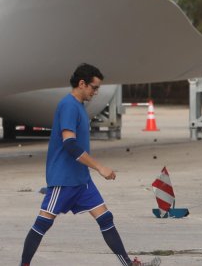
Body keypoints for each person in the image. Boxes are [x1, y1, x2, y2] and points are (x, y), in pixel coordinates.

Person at [19, 64, 160, 266]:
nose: (96, 92)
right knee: (42, 223)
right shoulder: (68, 105)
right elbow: (69, 143)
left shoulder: (79, 106)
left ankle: (128, 264)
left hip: (81, 180)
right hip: (64, 179)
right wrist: (99, 167)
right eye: (94, 88)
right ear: (82, 83)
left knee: (106, 219)